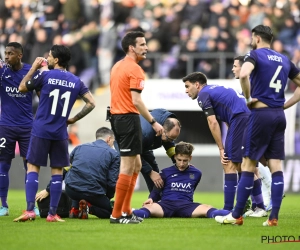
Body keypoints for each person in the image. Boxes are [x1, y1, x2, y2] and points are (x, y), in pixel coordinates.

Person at [215, 25, 300, 227]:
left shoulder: (254, 55)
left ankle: (236, 216)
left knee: (247, 164)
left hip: (260, 114)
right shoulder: (285, 59)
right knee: (276, 165)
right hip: (279, 115)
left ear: (256, 38)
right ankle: (273, 217)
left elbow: (244, 74)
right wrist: (285, 105)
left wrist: (248, 98)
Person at [13, 44, 96, 222]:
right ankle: (52, 214)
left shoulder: (45, 75)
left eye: (49, 56)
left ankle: (29, 211)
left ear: (56, 60)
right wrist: (73, 119)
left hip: (41, 129)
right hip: (60, 132)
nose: (47, 58)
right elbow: (91, 103)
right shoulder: (76, 80)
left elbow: (21, 87)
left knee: (32, 167)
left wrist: (34, 68)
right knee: (57, 172)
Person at [109, 31, 163, 224]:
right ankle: (117, 215)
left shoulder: (117, 66)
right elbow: (136, 101)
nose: (146, 48)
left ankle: (126, 211)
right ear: (132, 48)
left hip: (118, 117)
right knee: (127, 165)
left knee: (137, 165)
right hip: (127, 118)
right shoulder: (135, 69)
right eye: (142, 44)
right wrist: (153, 122)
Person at [183, 72, 252, 212]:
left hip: (240, 119)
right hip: (247, 118)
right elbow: (226, 118)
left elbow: (212, 122)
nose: (186, 90)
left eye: (187, 86)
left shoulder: (203, 95)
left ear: (197, 84)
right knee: (243, 166)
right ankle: (257, 206)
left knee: (228, 164)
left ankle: (227, 209)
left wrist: (221, 148)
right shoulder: (215, 90)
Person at [35, 127, 120, 219]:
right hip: (93, 192)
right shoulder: (114, 154)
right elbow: (111, 181)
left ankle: (75, 209)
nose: (112, 145)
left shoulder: (79, 148)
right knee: (114, 212)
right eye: (112, 142)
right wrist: (108, 197)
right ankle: (88, 208)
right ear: (109, 139)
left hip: (72, 190)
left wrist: (48, 189)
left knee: (75, 176)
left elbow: (64, 170)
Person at [132, 141, 231, 219]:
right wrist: (151, 198)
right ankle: (126, 213)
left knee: (207, 208)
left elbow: (191, 190)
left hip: (186, 206)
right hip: (166, 205)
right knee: (148, 208)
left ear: (190, 158)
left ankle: (233, 214)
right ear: (175, 157)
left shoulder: (196, 173)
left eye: (185, 161)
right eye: (179, 160)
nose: (182, 164)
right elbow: (157, 190)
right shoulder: (166, 172)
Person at [0, 42, 39, 216]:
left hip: (27, 127)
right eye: (5, 53)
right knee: (2, 166)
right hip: (5, 126)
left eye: (10, 53)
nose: (7, 56)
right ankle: (3, 206)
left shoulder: (31, 72)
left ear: (20, 55)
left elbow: (41, 96)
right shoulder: (2, 72)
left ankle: (32, 206)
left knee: (30, 166)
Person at [140, 108, 181, 192]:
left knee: (155, 173)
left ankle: (155, 200)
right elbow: (134, 155)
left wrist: (177, 160)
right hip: (125, 142)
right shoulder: (145, 133)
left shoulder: (166, 122)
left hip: (144, 145)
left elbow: (169, 144)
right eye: (169, 138)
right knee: (128, 168)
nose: (171, 141)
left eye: (173, 139)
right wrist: (150, 172)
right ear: (162, 130)